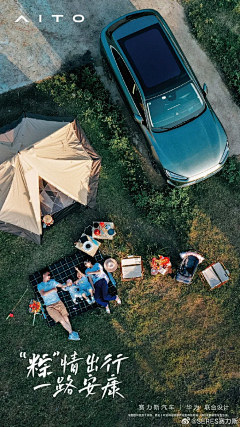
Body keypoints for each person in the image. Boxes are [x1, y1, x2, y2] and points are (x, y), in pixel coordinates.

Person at [37, 270, 80, 341]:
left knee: (65, 317)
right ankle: (71, 333)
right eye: (48, 275)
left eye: (50, 275)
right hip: (50, 306)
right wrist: (53, 289)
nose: (50, 276)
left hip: (58, 302)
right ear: (43, 275)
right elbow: (43, 294)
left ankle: (71, 334)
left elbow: (62, 285)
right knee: (61, 320)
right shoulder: (40, 285)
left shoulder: (52, 282)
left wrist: (67, 284)